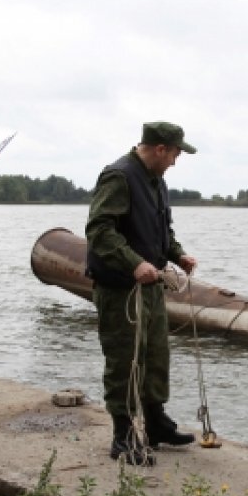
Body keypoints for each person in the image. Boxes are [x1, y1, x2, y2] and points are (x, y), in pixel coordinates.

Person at [85, 121, 200, 466]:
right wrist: (133, 263)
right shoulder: (119, 177)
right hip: (121, 289)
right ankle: (122, 434)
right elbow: (99, 230)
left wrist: (177, 254)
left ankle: (156, 423)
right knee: (124, 361)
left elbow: (161, 228)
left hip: (151, 287)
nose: (176, 161)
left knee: (155, 357)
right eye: (176, 153)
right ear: (161, 149)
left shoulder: (157, 180)